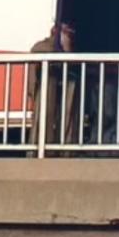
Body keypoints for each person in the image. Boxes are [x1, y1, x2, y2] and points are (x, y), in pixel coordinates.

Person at [29, 23, 80, 151]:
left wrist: (67, 50)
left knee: (67, 121)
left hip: (64, 91)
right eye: (67, 33)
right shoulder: (44, 46)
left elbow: (74, 66)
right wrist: (59, 47)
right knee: (43, 122)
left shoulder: (73, 50)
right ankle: (40, 152)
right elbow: (36, 51)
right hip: (47, 90)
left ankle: (65, 151)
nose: (70, 36)